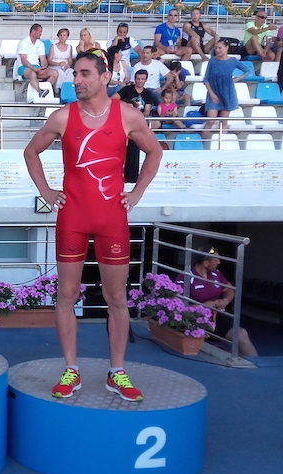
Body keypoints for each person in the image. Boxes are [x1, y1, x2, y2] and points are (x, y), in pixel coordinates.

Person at [24, 50, 163, 402]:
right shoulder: (62, 116)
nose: (77, 80)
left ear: (105, 77)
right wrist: (46, 191)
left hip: (111, 218)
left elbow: (155, 151)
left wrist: (137, 192)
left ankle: (117, 371)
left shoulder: (127, 115)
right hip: (72, 217)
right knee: (67, 295)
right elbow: (30, 152)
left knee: (116, 297)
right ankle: (71, 368)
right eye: (74, 74)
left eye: (84, 73)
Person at [175, 246, 258, 357]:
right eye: (216, 260)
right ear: (206, 263)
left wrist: (225, 301)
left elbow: (229, 290)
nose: (219, 262)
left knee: (241, 334)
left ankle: (259, 366)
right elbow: (176, 304)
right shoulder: (186, 276)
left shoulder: (216, 274)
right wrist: (202, 306)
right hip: (194, 320)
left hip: (214, 317)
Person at [201, 40, 253, 136]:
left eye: (220, 48)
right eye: (216, 48)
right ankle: (202, 142)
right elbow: (206, 79)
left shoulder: (233, 61)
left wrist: (236, 79)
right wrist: (212, 94)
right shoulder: (212, 61)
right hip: (214, 92)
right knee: (210, 121)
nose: (217, 50)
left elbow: (247, 71)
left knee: (223, 121)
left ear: (226, 48)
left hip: (227, 93)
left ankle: (222, 142)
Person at [15, 23, 57, 98]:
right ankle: (39, 91)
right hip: (23, 67)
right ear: (33, 31)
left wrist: (43, 68)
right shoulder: (23, 43)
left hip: (37, 67)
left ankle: (43, 90)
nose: (41, 34)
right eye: (39, 32)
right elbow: (24, 60)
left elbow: (43, 59)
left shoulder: (40, 44)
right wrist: (35, 69)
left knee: (55, 73)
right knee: (32, 73)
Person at [47, 28, 74, 94]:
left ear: (67, 36)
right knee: (60, 72)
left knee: (71, 72)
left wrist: (68, 66)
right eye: (60, 35)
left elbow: (70, 59)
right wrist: (59, 64)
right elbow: (49, 60)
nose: (62, 37)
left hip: (65, 66)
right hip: (55, 66)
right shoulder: (53, 46)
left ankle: (68, 90)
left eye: (64, 35)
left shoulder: (69, 47)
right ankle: (59, 90)